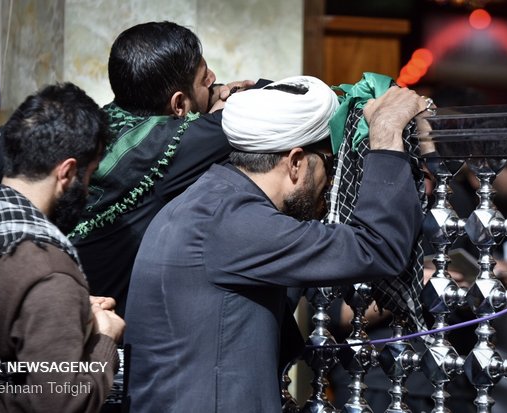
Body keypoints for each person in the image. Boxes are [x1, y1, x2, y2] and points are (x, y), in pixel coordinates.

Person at [123, 75, 429, 412]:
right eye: (327, 164)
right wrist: (385, 136)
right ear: (296, 162)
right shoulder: (234, 222)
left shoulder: (215, 201)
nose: (329, 184)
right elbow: (377, 248)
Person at [0, 21, 254, 318]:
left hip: (18, 307)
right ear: (178, 105)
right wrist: (224, 96)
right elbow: (273, 103)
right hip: (92, 324)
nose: (214, 78)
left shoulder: (85, 126)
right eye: (205, 79)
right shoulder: (179, 143)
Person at [0, 82, 125, 413]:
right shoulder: (49, 272)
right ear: (68, 172)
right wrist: (104, 339)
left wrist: (69, 315)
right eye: (89, 176)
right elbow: (61, 403)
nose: (88, 190)